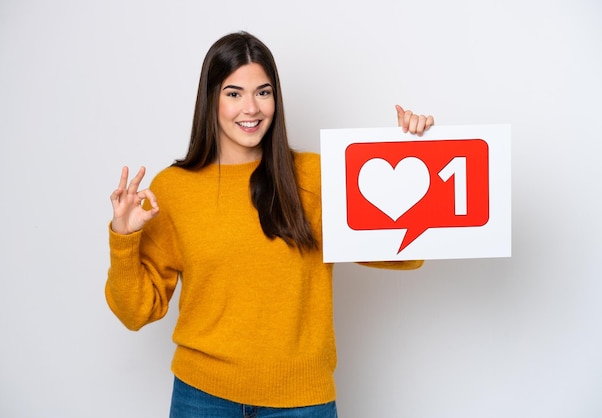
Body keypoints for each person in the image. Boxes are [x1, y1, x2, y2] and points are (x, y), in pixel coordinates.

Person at [106, 31, 434, 418]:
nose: (251, 108)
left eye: (263, 92)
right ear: (210, 99)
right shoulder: (174, 190)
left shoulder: (315, 177)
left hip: (301, 402)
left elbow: (404, 257)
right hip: (201, 397)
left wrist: (416, 155)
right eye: (233, 93)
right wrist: (124, 239)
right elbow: (136, 312)